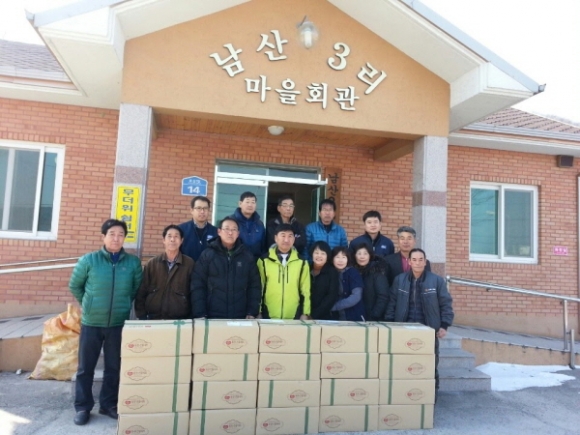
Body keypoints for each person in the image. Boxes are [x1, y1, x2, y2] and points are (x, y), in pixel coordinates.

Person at [68, 219, 143, 426]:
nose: (116, 238)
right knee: (85, 368)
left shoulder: (132, 263)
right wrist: (88, 304)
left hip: (118, 324)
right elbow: (75, 286)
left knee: (113, 367)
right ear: (103, 236)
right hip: (92, 322)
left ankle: (108, 404)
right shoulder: (89, 260)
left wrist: (124, 304)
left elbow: (135, 289)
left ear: (124, 238)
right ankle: (82, 407)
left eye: (120, 234)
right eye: (112, 234)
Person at [385, 248, 454, 396]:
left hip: (428, 330)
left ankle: (430, 398)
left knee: (429, 365)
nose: (417, 263)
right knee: (405, 364)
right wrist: (390, 324)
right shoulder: (400, 280)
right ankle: (405, 396)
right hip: (404, 329)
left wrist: (444, 325)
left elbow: (446, 304)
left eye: (420, 259)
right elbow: (392, 304)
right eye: (414, 260)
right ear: (409, 262)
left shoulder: (436, 281)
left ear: (425, 262)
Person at [191, 217, 261, 319]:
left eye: (234, 230)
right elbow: (198, 284)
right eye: (227, 229)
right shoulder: (207, 255)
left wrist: (252, 311)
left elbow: (254, 286)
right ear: (219, 232)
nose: (230, 233)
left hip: (241, 316)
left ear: (238, 233)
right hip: (212, 316)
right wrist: (200, 313)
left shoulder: (247, 256)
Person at [135, 225, 194, 320]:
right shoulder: (152, 263)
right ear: (163, 240)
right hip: (153, 318)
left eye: (176, 236)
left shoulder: (189, 264)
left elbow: (194, 292)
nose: (172, 239)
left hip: (180, 320)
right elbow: (142, 291)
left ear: (181, 240)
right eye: (169, 236)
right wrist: (141, 315)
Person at [258, 223, 311, 319]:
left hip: (294, 316)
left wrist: (305, 313)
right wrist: (258, 311)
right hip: (268, 315)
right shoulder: (264, 260)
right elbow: (259, 288)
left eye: (290, 236)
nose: (286, 240)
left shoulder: (302, 262)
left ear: (294, 239)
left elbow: (305, 290)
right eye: (283, 235)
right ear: (276, 238)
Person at [352, 242, 389, 321]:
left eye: (365, 253)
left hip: (371, 319)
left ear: (370, 255)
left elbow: (383, 297)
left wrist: (374, 315)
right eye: (359, 253)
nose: (362, 256)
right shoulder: (352, 272)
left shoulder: (377, 271)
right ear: (355, 256)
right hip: (354, 317)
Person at [329, 246, 365, 321]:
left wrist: (334, 307)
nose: (340, 260)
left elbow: (356, 296)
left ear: (348, 259)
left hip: (353, 316)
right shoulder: (329, 273)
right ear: (332, 259)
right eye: (337, 257)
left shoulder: (353, 272)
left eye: (344, 257)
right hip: (334, 317)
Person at [178, 196, 218, 261]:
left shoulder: (216, 232)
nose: (202, 211)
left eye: (205, 208)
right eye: (199, 208)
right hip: (188, 267)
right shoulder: (181, 230)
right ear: (191, 210)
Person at [230, 191, 266, 259]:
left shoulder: (259, 224)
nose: (250, 205)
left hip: (255, 262)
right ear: (240, 204)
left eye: (253, 202)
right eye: (247, 202)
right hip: (236, 261)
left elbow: (263, 246)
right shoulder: (231, 221)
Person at [309, 240, 340, 320]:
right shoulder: (306, 269)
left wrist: (314, 315)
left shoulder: (332, 272)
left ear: (327, 256)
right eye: (316, 253)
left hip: (325, 316)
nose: (319, 256)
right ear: (312, 254)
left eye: (323, 253)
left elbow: (331, 296)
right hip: (304, 315)